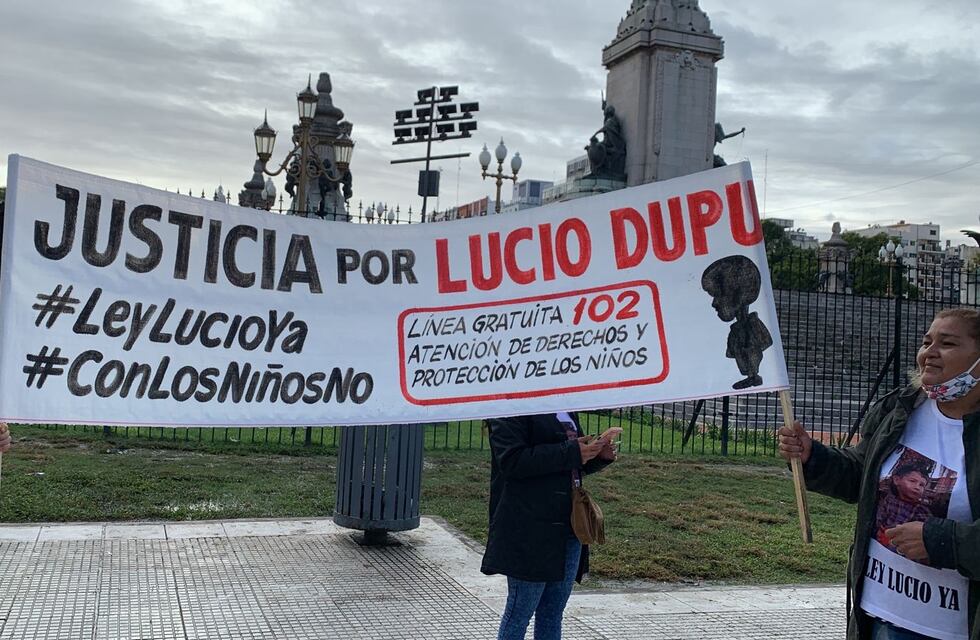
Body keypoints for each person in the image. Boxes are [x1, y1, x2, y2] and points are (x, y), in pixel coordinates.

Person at [779, 308, 980, 640]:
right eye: (926, 341)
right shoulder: (901, 408)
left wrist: (940, 541)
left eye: (947, 343)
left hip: (949, 630)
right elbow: (861, 476)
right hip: (875, 615)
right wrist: (813, 457)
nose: (929, 352)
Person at [481, 412, 620, 640]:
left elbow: (573, 462)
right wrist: (573, 452)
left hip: (570, 525)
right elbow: (513, 461)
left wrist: (597, 454)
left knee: (552, 613)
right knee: (519, 613)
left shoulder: (565, 405)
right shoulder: (510, 407)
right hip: (529, 528)